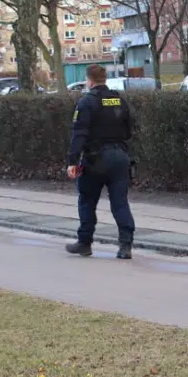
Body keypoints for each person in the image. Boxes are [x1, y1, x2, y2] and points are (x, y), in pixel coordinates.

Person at [65, 64, 135, 259]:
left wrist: (72, 161)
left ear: (89, 81)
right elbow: (129, 130)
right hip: (120, 157)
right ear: (105, 79)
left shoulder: (87, 102)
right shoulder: (119, 100)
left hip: (95, 159)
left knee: (87, 200)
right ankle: (125, 245)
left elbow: (79, 133)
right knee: (120, 202)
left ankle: (85, 243)